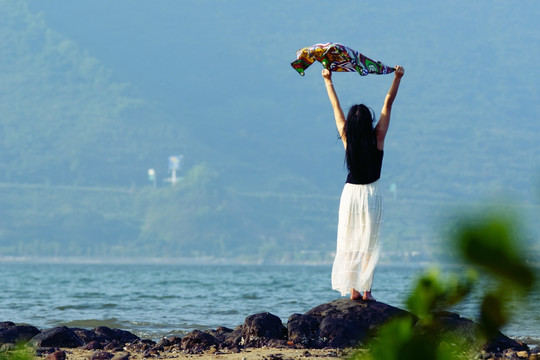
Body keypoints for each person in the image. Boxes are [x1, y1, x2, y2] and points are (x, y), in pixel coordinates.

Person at [322, 65, 404, 301]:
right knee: (369, 240)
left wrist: (328, 80)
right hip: (371, 193)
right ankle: (366, 291)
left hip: (349, 194)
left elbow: (335, 108)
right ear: (368, 121)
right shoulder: (378, 136)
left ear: (350, 124)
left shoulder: (347, 137)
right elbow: (388, 103)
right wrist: (397, 77)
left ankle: (353, 291)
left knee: (350, 239)